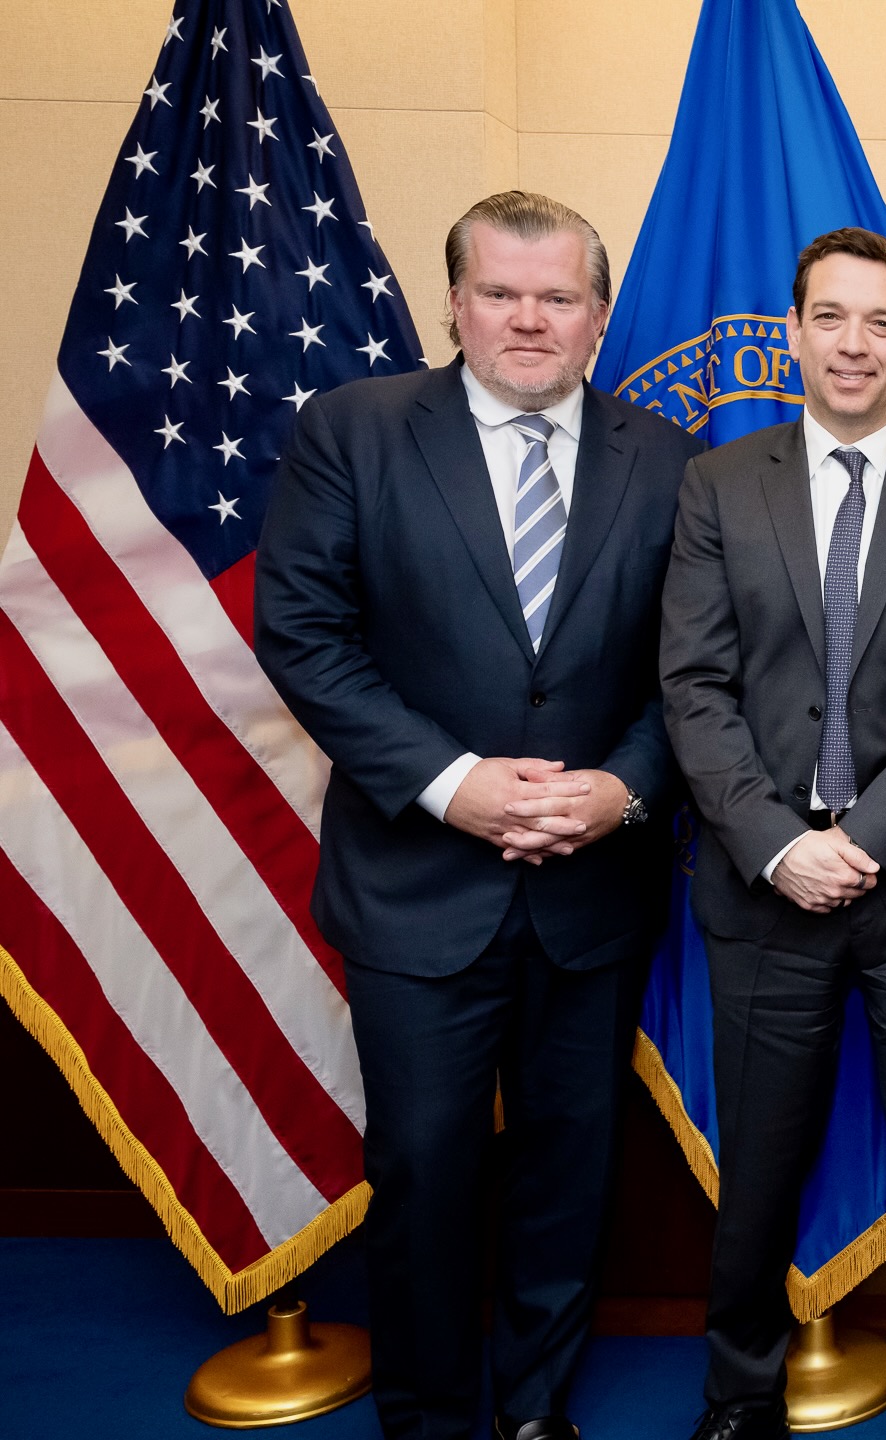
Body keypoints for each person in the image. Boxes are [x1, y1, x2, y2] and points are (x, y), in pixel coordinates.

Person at [254, 192, 701, 1440]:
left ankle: (536, 1408)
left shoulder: (670, 461)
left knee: (569, 1173)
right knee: (427, 1171)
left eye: (558, 297)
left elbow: (698, 673)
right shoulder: (353, 432)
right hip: (417, 884)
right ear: (451, 300)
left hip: (592, 888)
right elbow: (304, 638)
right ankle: (435, 1414)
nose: (527, 319)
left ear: (601, 317)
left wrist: (624, 788)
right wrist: (458, 785)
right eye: (499, 292)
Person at [660, 227, 886, 1440]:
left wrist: (859, 837)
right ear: (796, 332)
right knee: (757, 1161)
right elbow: (694, 689)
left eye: (881, 324)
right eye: (832, 318)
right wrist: (779, 842)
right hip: (764, 883)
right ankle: (736, 1389)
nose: (855, 344)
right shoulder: (721, 484)